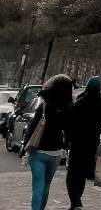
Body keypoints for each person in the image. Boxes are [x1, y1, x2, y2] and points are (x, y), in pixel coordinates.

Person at [21, 74, 73, 210]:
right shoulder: (68, 108)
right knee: (46, 186)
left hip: (38, 150)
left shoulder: (45, 105)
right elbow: (69, 130)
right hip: (55, 153)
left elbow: (32, 128)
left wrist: (25, 148)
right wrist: (66, 146)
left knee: (37, 187)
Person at [66, 76, 101, 210]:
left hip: (77, 142)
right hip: (92, 144)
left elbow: (70, 123)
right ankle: (76, 202)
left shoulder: (81, 102)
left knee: (71, 175)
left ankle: (75, 202)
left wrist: (67, 141)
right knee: (81, 175)